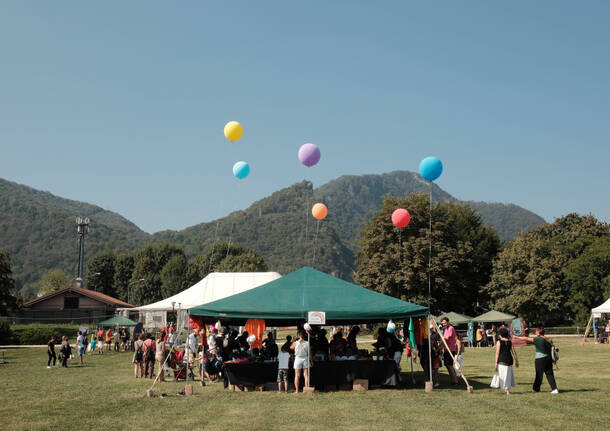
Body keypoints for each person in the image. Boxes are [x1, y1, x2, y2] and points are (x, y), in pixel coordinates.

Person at [517, 327, 558, 394]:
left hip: (540, 359)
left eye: (536, 331)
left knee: (539, 374)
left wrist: (517, 337)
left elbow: (526, 339)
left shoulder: (538, 339)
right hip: (548, 359)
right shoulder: (548, 339)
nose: (535, 332)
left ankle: (536, 389)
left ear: (539, 332)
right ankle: (554, 389)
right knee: (550, 374)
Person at [494, 327, 518, 395]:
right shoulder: (510, 342)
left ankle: (507, 390)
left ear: (500, 335)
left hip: (502, 361)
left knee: (503, 376)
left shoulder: (499, 342)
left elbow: (497, 353)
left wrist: (496, 362)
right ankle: (507, 389)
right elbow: (514, 352)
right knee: (508, 375)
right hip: (509, 360)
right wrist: (516, 361)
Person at [440, 317, 459, 385]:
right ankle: (453, 379)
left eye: (445, 323)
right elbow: (444, 339)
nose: (444, 324)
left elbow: (447, 339)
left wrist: (440, 347)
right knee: (448, 365)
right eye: (442, 323)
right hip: (446, 350)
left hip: (450, 349)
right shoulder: (445, 329)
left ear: (448, 322)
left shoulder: (451, 328)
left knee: (450, 365)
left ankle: (455, 381)